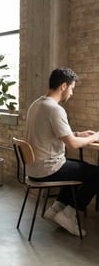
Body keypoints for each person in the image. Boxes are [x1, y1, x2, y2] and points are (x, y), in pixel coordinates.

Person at [25, 67, 99, 237]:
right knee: (95, 173)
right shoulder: (55, 109)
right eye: (72, 88)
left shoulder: (37, 104)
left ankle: (56, 208)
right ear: (63, 86)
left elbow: (53, 134)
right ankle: (68, 214)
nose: (71, 94)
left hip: (34, 169)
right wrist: (95, 136)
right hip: (47, 169)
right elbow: (72, 145)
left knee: (77, 167)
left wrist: (80, 134)